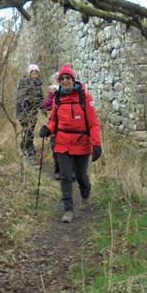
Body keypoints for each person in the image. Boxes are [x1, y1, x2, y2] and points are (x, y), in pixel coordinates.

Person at [39, 63, 102, 223]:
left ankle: (85, 194)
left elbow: (93, 123)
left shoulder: (85, 98)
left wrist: (96, 144)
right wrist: (48, 129)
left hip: (81, 143)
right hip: (62, 143)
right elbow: (54, 121)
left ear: (73, 79)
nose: (65, 81)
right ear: (59, 81)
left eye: (68, 78)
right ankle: (68, 210)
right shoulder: (58, 99)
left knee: (81, 176)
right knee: (66, 176)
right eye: (62, 78)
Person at [14, 64, 44, 162]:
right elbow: (19, 96)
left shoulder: (39, 85)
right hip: (23, 112)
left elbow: (40, 99)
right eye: (32, 73)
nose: (34, 75)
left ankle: (22, 146)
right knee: (29, 132)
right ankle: (31, 154)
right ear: (29, 74)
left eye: (36, 73)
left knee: (30, 132)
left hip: (33, 112)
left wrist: (43, 108)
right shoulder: (23, 83)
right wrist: (25, 101)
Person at [40, 72, 61, 178]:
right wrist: (42, 106)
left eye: (57, 80)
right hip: (53, 121)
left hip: (65, 123)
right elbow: (48, 104)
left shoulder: (68, 91)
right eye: (55, 81)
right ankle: (58, 170)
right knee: (54, 145)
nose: (56, 83)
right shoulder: (52, 92)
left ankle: (72, 171)